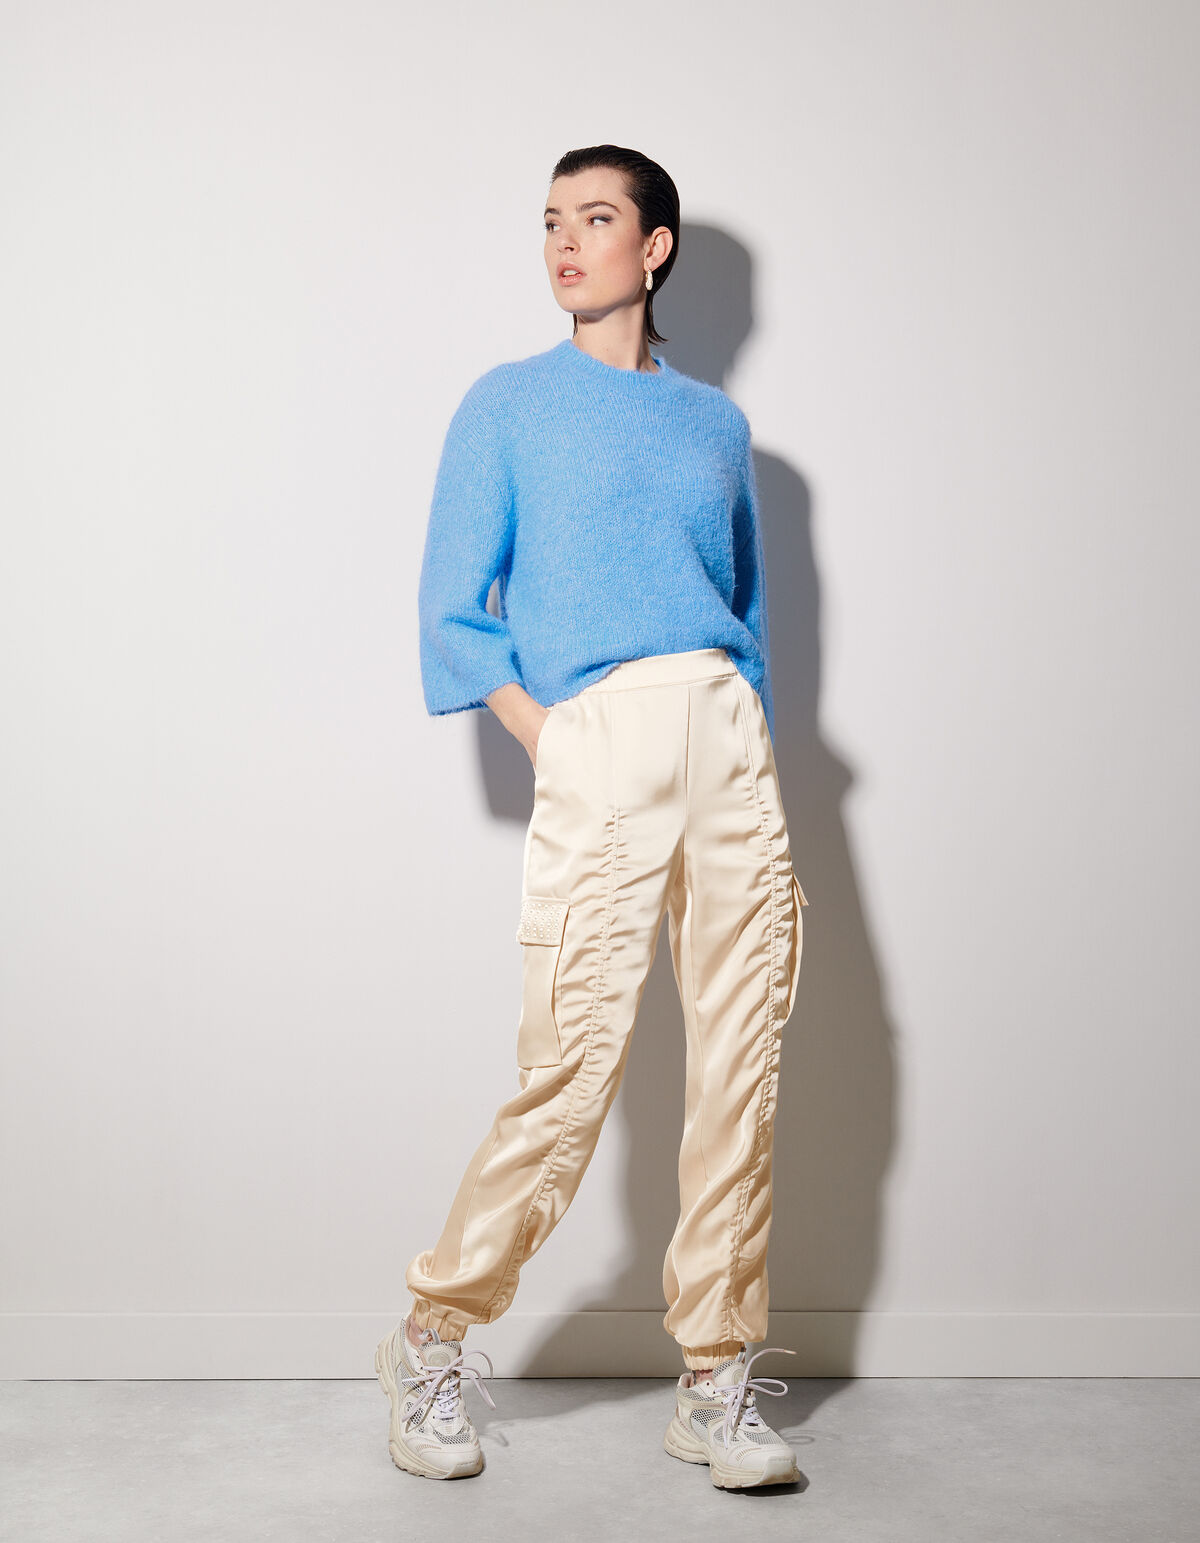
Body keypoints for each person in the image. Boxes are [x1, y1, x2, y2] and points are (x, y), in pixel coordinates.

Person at [375, 144, 809, 1490]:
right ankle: (432, 1336)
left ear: (654, 246)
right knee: (571, 1065)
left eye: (597, 218)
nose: (566, 243)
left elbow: (744, 612)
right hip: (599, 739)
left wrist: (746, 730)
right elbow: (454, 608)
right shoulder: (507, 404)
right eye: (553, 221)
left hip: (726, 739)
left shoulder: (716, 426)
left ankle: (716, 1382)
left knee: (741, 1065)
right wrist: (548, 736)